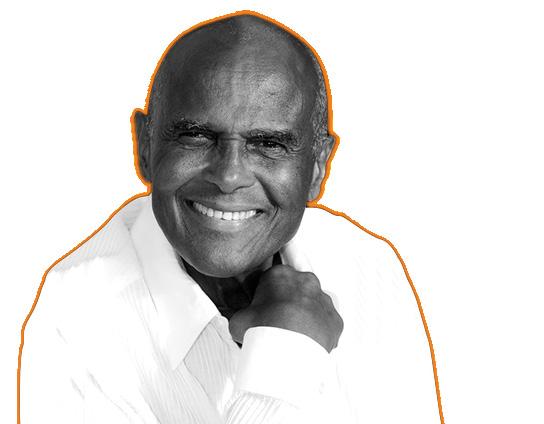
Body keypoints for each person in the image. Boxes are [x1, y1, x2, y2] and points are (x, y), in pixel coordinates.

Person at [20, 12, 443, 424]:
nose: (229, 176)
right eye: (196, 136)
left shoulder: (368, 266)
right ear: (145, 146)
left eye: (269, 144)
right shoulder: (74, 317)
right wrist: (285, 354)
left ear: (317, 166)